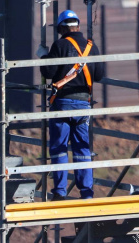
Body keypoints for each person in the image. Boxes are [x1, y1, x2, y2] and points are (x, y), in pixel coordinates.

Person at [39, 10, 104, 200]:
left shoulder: (59, 45)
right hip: (84, 104)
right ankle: (87, 193)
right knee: (82, 149)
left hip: (63, 103)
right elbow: (98, 75)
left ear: (61, 28)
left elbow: (49, 72)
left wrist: (44, 57)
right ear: (77, 26)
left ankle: (59, 192)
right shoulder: (92, 47)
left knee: (59, 147)